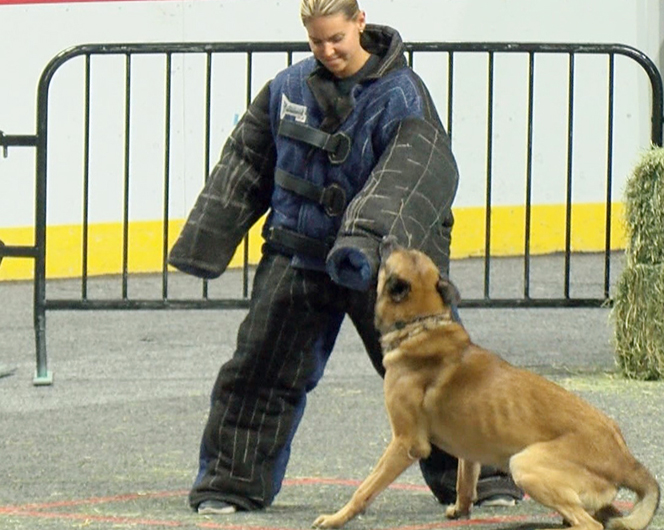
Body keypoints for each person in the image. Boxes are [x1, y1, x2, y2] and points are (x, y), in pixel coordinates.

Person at [168, 0, 523, 514]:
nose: (328, 50)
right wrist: (207, 237)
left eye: (336, 37)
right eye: (316, 41)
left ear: (360, 23)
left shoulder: (402, 94)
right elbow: (246, 160)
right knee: (259, 369)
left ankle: (487, 480)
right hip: (297, 253)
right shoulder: (286, 88)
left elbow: (416, 170)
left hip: (386, 267)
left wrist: (363, 238)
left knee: (442, 377)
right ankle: (229, 482)